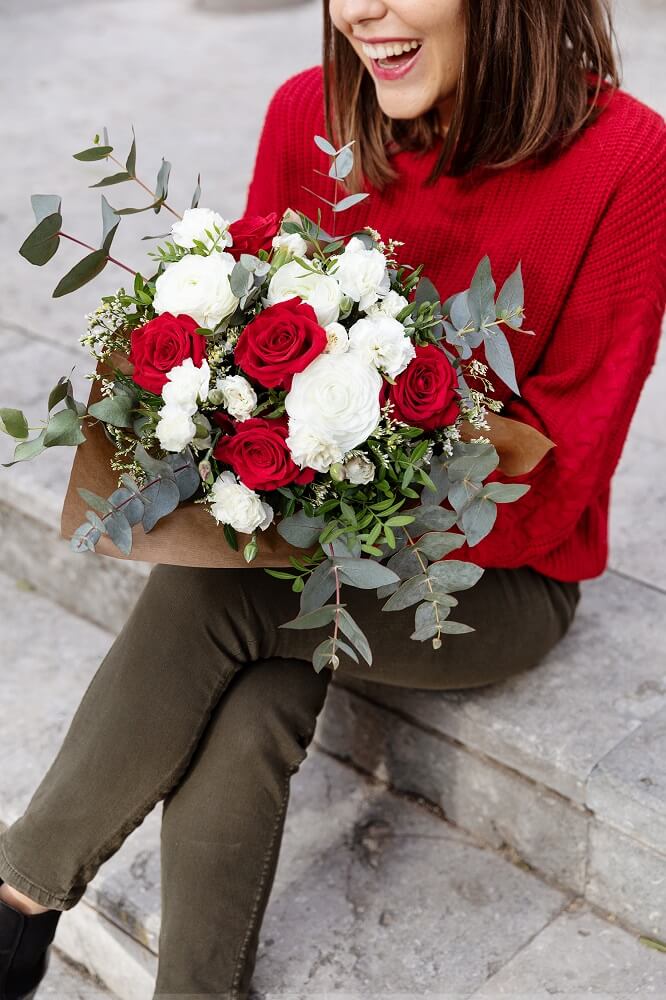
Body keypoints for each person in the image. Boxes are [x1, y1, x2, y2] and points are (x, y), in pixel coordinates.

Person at [1, 0, 664, 997]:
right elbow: (254, 333)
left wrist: (351, 500)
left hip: (497, 574)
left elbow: (562, 477)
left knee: (227, 594)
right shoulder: (307, 111)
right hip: (310, 546)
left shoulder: (628, 158)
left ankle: (19, 898)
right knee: (255, 682)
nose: (359, 9)